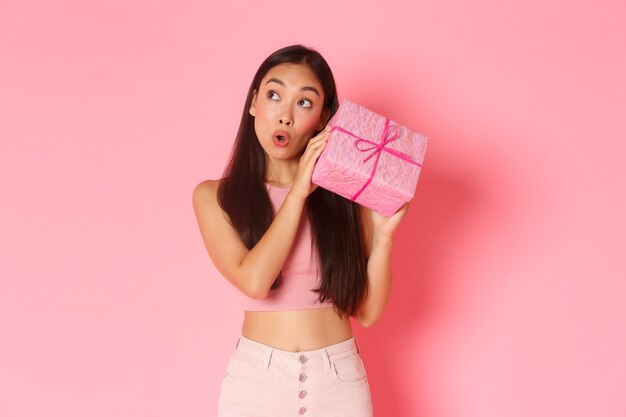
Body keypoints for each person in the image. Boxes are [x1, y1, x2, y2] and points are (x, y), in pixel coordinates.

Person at [192, 44, 409, 417]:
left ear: (324, 117)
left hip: (338, 381)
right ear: (254, 102)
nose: (285, 117)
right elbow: (256, 282)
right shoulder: (215, 196)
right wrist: (298, 193)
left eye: (304, 103)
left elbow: (369, 313)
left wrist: (383, 237)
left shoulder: (343, 200)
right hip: (257, 384)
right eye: (274, 95)